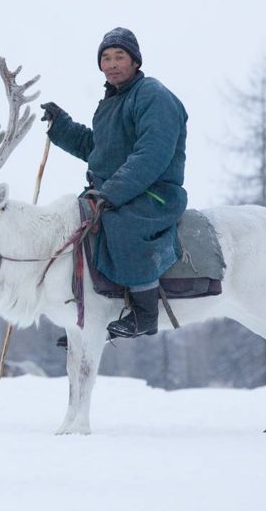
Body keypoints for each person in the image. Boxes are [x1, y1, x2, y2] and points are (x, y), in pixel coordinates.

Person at [41, 27, 188, 339]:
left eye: (119, 56)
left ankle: (145, 313)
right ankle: (92, 311)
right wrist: (62, 128)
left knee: (121, 225)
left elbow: (152, 153)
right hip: (118, 189)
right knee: (76, 224)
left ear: (135, 60)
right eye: (105, 58)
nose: (111, 64)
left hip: (154, 191)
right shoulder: (111, 103)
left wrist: (112, 193)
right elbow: (100, 151)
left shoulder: (153, 95)